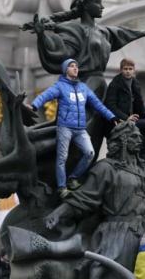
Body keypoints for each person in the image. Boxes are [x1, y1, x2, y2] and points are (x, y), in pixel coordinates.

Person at [45, 122, 145, 278]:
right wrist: (59, 213)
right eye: (133, 137)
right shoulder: (106, 168)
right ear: (122, 140)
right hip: (116, 235)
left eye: (140, 137)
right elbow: (85, 197)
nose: (139, 140)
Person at [24, 0, 145, 100]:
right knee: (78, 125)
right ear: (85, 5)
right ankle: (31, 135)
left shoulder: (105, 32)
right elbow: (61, 53)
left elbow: (127, 33)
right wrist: (42, 35)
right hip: (82, 84)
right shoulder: (74, 30)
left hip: (99, 84)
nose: (102, 6)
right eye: (97, 2)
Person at [28, 58, 117, 198]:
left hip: (80, 129)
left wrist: (112, 117)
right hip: (65, 128)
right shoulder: (60, 86)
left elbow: (98, 105)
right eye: (71, 66)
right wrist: (33, 106)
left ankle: (73, 178)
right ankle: (62, 187)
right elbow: (45, 96)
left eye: (76, 66)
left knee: (90, 153)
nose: (75, 68)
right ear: (65, 70)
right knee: (62, 157)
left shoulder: (83, 87)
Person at [102, 58, 145, 156]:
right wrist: (126, 118)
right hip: (118, 122)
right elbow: (110, 106)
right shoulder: (115, 84)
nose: (128, 71)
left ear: (134, 70)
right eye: (125, 69)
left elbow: (139, 103)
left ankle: (144, 155)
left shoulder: (135, 83)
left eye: (130, 69)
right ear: (121, 70)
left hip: (132, 120)